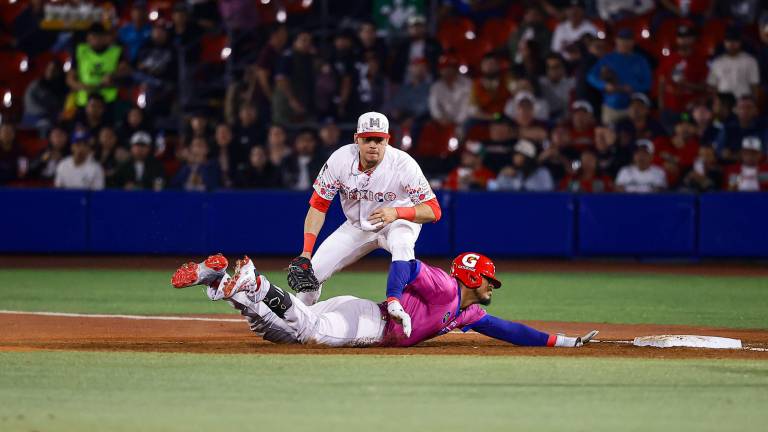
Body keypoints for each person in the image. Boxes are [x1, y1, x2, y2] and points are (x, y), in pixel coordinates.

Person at [171, 252, 599, 348]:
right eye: (489, 279)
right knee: (305, 332)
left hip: (363, 316)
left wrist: (560, 341)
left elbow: (506, 329)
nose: (493, 286)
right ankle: (257, 285)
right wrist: (395, 299)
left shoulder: (467, 311)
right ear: (472, 276)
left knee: (278, 331)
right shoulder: (446, 287)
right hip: (369, 321)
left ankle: (224, 284)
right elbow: (407, 265)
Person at [288, 112, 441, 335]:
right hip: (356, 226)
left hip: (397, 221)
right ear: (356, 139)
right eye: (367, 139)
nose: (373, 145)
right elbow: (318, 206)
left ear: (387, 140)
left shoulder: (404, 164)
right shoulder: (339, 160)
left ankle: (396, 304)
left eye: (378, 139)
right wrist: (306, 252)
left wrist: (397, 212)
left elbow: (434, 210)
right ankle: (296, 325)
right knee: (312, 275)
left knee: (402, 243)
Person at [587, 29, 652, 125]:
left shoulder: (640, 60)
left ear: (633, 42)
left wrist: (633, 87)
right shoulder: (608, 58)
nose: (625, 43)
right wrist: (605, 85)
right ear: (616, 41)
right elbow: (591, 76)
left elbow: (647, 83)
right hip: (611, 106)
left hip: (633, 108)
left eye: (628, 40)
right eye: (622, 40)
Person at [66, 23, 127, 108]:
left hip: (108, 100)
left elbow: (125, 70)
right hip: (84, 101)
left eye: (96, 37)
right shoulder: (80, 51)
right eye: (90, 37)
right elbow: (70, 78)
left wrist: (112, 75)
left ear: (104, 37)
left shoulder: (115, 52)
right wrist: (81, 86)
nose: (92, 40)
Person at [707, 27, 760, 99]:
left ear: (740, 42)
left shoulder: (750, 60)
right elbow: (713, 85)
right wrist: (716, 104)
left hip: (744, 101)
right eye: (728, 41)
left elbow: (754, 85)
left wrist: (755, 102)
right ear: (724, 42)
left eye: (735, 41)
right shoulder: (717, 62)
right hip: (724, 102)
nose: (731, 44)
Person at [487, 139, 555, 192]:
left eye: (518, 154)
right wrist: (500, 175)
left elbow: (549, 192)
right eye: (514, 154)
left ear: (528, 157)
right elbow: (493, 188)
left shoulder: (542, 172)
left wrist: (521, 181)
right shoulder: (508, 172)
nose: (514, 157)